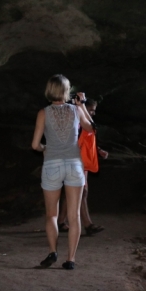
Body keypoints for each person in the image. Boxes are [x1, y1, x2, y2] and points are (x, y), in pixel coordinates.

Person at [31, 74, 93, 270]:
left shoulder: (43, 113)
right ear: (67, 91)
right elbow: (91, 128)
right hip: (74, 165)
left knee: (52, 215)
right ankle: (71, 260)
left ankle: (52, 251)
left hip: (51, 165)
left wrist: (44, 148)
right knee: (74, 215)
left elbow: (34, 145)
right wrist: (82, 105)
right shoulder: (76, 110)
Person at [58, 98, 108, 236]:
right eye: (91, 110)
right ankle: (88, 225)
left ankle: (61, 221)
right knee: (82, 191)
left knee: (72, 192)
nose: (92, 113)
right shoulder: (76, 120)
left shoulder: (81, 122)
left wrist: (98, 150)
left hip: (80, 160)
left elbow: (86, 138)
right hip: (75, 160)